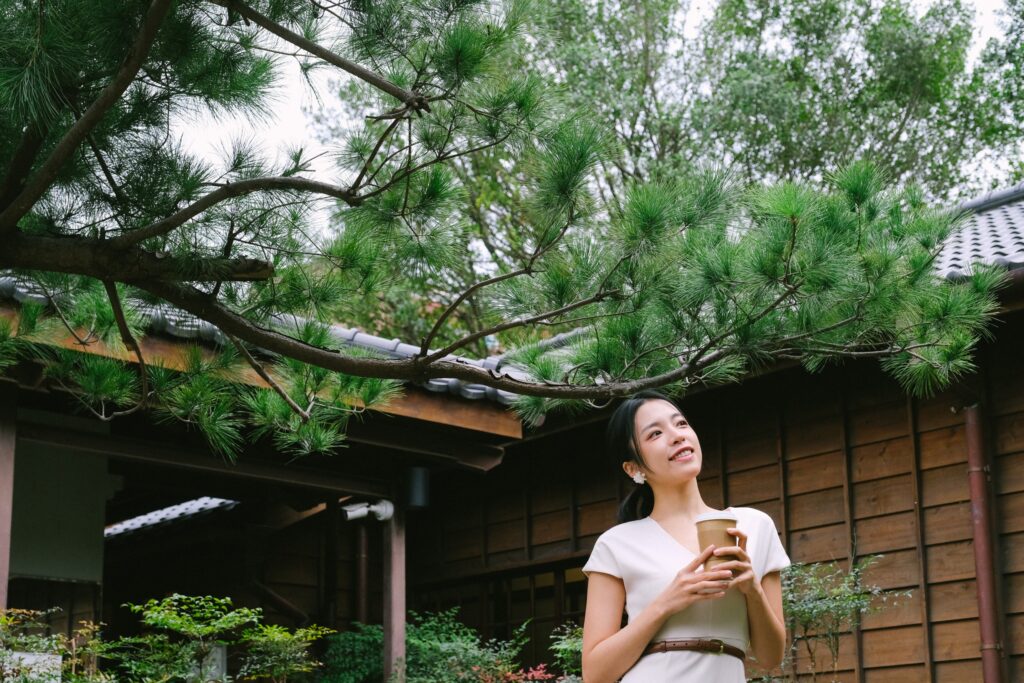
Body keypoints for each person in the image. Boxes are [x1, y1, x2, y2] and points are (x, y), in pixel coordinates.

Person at [581, 390, 789, 683]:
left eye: (680, 424)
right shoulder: (616, 544)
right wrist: (666, 602)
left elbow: (771, 657)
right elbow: (594, 673)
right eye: (655, 434)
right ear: (633, 468)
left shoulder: (754, 526)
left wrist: (752, 589)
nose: (677, 436)